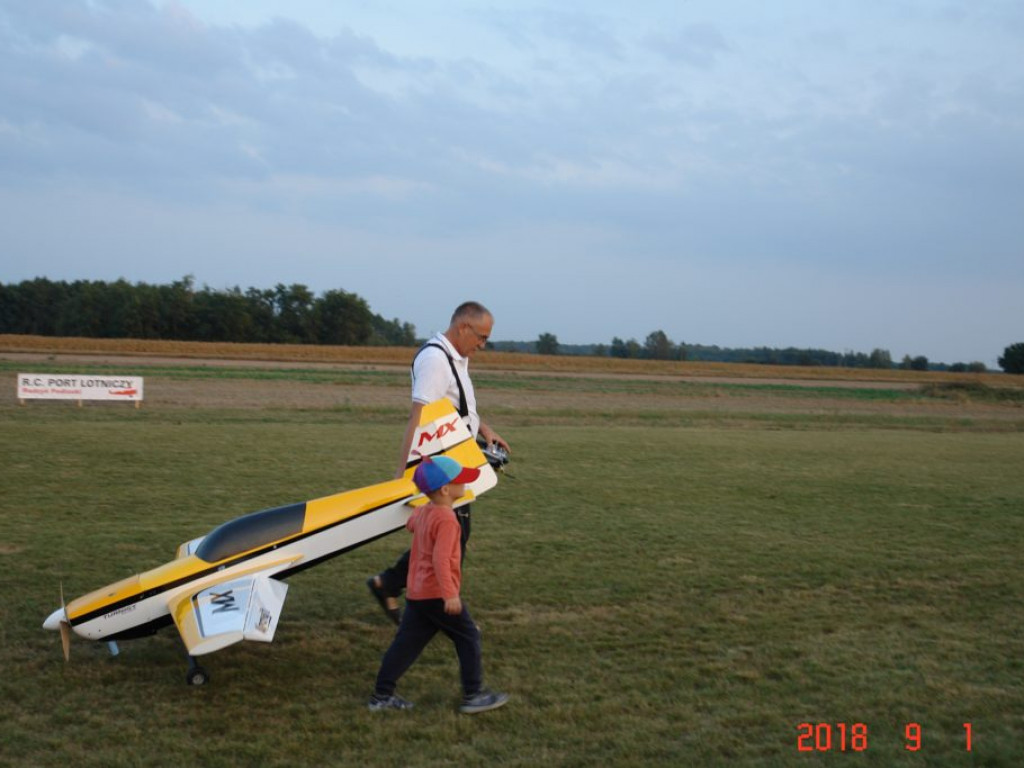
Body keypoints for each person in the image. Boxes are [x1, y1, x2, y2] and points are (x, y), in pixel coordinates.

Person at [367, 301, 510, 625]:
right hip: (440, 465)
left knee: (455, 533)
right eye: (481, 337)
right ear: (463, 327)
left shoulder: (456, 358)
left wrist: (484, 430)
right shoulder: (435, 360)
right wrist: (404, 475)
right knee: (451, 533)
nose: (482, 345)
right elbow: (419, 418)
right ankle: (423, 598)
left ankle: (390, 584)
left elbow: (455, 407)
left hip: (454, 459)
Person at [368, 456, 510, 714]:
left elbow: (411, 523)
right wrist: (450, 595)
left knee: (405, 644)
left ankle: (381, 696)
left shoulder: (424, 512)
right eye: (461, 480)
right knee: (468, 635)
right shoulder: (447, 520)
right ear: (445, 489)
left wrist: (424, 516)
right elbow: (440, 560)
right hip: (436, 595)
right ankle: (473, 694)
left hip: (417, 593)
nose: (466, 483)